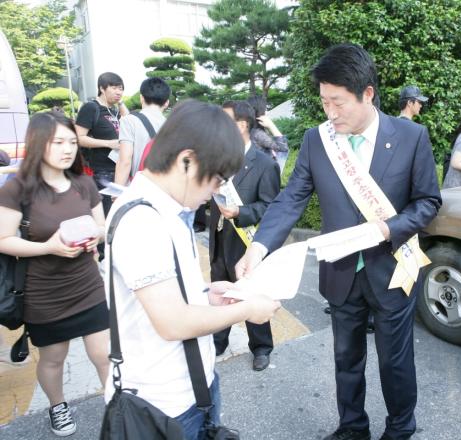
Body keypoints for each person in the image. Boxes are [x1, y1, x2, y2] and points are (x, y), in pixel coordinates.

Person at [236, 44, 442, 440]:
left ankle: (401, 428)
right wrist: (259, 247)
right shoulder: (318, 140)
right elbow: (291, 198)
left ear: (367, 94)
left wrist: (389, 229)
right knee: (346, 357)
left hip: (393, 269)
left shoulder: (411, 136)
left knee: (395, 361)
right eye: (324, 101)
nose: (330, 112)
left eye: (338, 102)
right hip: (341, 272)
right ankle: (352, 427)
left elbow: (428, 202)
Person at [105, 99, 281, 440]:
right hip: (162, 404)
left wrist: (206, 294)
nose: (217, 191)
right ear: (186, 161)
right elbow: (172, 322)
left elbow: (167, 294)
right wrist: (248, 310)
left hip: (190, 386)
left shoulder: (167, 209)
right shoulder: (143, 220)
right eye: (216, 179)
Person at [0, 111, 109, 437]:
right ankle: (57, 405)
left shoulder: (84, 183)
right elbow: (3, 240)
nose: (68, 149)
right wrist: (49, 247)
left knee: (104, 354)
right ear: (37, 144)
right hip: (44, 292)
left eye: (72, 142)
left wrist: (94, 237)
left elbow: (102, 227)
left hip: (88, 284)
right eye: (58, 142)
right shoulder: (17, 189)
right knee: (53, 358)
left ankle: (117, 405)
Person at [210, 100, 280, 371]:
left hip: (246, 243)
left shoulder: (264, 164)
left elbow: (271, 207)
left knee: (251, 294)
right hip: (219, 239)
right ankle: (218, 340)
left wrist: (241, 211)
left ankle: (261, 347)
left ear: (241, 125)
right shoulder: (219, 158)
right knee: (221, 293)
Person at [75, 72, 128, 215]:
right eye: (114, 88)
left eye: (121, 89)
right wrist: (108, 143)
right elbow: (79, 137)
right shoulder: (91, 108)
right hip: (101, 173)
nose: (119, 92)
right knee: (106, 213)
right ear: (102, 89)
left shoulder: (114, 110)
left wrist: (120, 103)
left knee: (119, 213)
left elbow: (130, 122)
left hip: (119, 170)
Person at [114, 77, 171, 185]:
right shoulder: (172, 125)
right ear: (166, 103)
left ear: (141, 98)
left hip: (138, 186)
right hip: (163, 187)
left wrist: (118, 189)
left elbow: (125, 161)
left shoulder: (129, 121)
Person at [246, 94, 289, 159]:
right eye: (265, 109)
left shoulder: (248, 130)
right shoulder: (258, 134)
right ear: (259, 111)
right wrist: (271, 125)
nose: (267, 112)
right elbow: (283, 148)